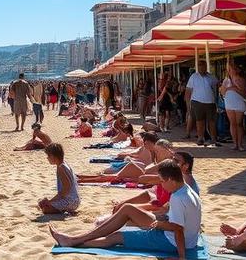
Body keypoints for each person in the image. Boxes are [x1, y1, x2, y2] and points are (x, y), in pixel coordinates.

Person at [50, 159, 201, 259]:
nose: (161, 185)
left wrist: (181, 257)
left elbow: (178, 229)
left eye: (162, 181)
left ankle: (73, 241)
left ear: (171, 179)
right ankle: (76, 239)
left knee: (115, 237)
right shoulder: (186, 190)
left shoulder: (178, 197)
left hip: (171, 241)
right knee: (127, 208)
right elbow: (179, 220)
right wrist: (162, 218)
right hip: (183, 238)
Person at [38, 143, 80, 214]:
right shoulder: (63, 164)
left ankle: (63, 210)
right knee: (42, 203)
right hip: (73, 200)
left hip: (71, 201)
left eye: (48, 156)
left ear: (53, 156)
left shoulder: (61, 168)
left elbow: (66, 189)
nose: (47, 158)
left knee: (45, 209)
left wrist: (50, 201)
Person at [187, 60, 220, 147]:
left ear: (206, 66)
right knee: (199, 121)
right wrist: (188, 103)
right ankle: (200, 138)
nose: (201, 67)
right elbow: (188, 90)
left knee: (212, 121)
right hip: (197, 102)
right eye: (200, 65)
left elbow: (217, 86)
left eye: (203, 65)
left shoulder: (211, 77)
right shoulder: (193, 77)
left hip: (210, 102)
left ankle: (213, 138)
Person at [220, 63, 246, 151]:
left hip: (239, 103)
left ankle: (240, 144)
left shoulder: (241, 79)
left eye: (231, 69)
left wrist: (234, 88)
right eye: (228, 69)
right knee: (232, 123)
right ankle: (235, 143)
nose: (229, 71)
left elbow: (244, 94)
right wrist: (226, 88)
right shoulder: (226, 80)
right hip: (229, 103)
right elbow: (222, 93)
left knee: (239, 123)